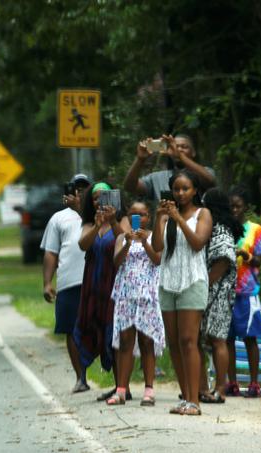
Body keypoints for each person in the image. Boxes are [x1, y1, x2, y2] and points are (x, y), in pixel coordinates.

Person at [152, 169, 212, 416]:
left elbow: (198, 243)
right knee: (175, 344)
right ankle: (185, 397)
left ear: (195, 190)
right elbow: (156, 249)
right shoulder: (166, 217)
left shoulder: (203, 213)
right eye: (176, 189)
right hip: (167, 282)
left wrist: (177, 218)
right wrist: (159, 219)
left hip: (192, 281)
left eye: (185, 188)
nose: (180, 193)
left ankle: (194, 400)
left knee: (189, 340)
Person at [73, 181, 129, 402]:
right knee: (97, 328)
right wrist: (97, 226)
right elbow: (83, 245)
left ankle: (122, 386)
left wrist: (112, 220)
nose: (99, 201)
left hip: (116, 283)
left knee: (114, 332)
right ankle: (118, 385)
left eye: (104, 196)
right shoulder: (88, 223)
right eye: (95, 198)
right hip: (94, 285)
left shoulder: (121, 219)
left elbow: (124, 238)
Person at [106, 201, 165, 406]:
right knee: (125, 342)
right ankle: (121, 389)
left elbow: (157, 260)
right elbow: (116, 262)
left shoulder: (153, 236)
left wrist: (144, 242)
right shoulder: (122, 237)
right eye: (133, 214)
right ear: (128, 217)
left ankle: (149, 389)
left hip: (147, 296)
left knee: (147, 342)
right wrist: (129, 243)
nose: (137, 217)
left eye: (142, 214)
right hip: (126, 295)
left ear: (148, 217)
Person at [40, 173, 92, 393]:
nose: (79, 192)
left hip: (93, 279)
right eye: (75, 188)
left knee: (99, 327)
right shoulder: (58, 218)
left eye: (83, 188)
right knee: (71, 329)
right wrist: (47, 282)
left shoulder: (97, 213)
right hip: (69, 281)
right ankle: (81, 377)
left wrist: (82, 206)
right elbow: (51, 252)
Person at [225, 187, 261, 398]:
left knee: (250, 338)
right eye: (231, 206)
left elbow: (260, 260)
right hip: (225, 291)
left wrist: (247, 255)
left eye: (238, 206)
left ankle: (254, 383)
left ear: (245, 207)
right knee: (227, 339)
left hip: (247, 290)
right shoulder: (223, 228)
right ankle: (232, 382)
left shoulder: (255, 229)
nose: (234, 210)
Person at [197, 188, 242, 404]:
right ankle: (202, 388)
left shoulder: (222, 230)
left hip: (219, 292)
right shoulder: (213, 227)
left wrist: (204, 286)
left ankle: (220, 389)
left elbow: (222, 262)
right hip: (211, 290)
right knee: (205, 339)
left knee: (217, 340)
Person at [123, 134, 216, 206]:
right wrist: (140, 159)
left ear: (193, 152)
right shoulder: (157, 177)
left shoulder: (205, 171)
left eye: (184, 147)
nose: (178, 149)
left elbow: (210, 180)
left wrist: (180, 156)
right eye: (174, 147)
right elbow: (130, 187)